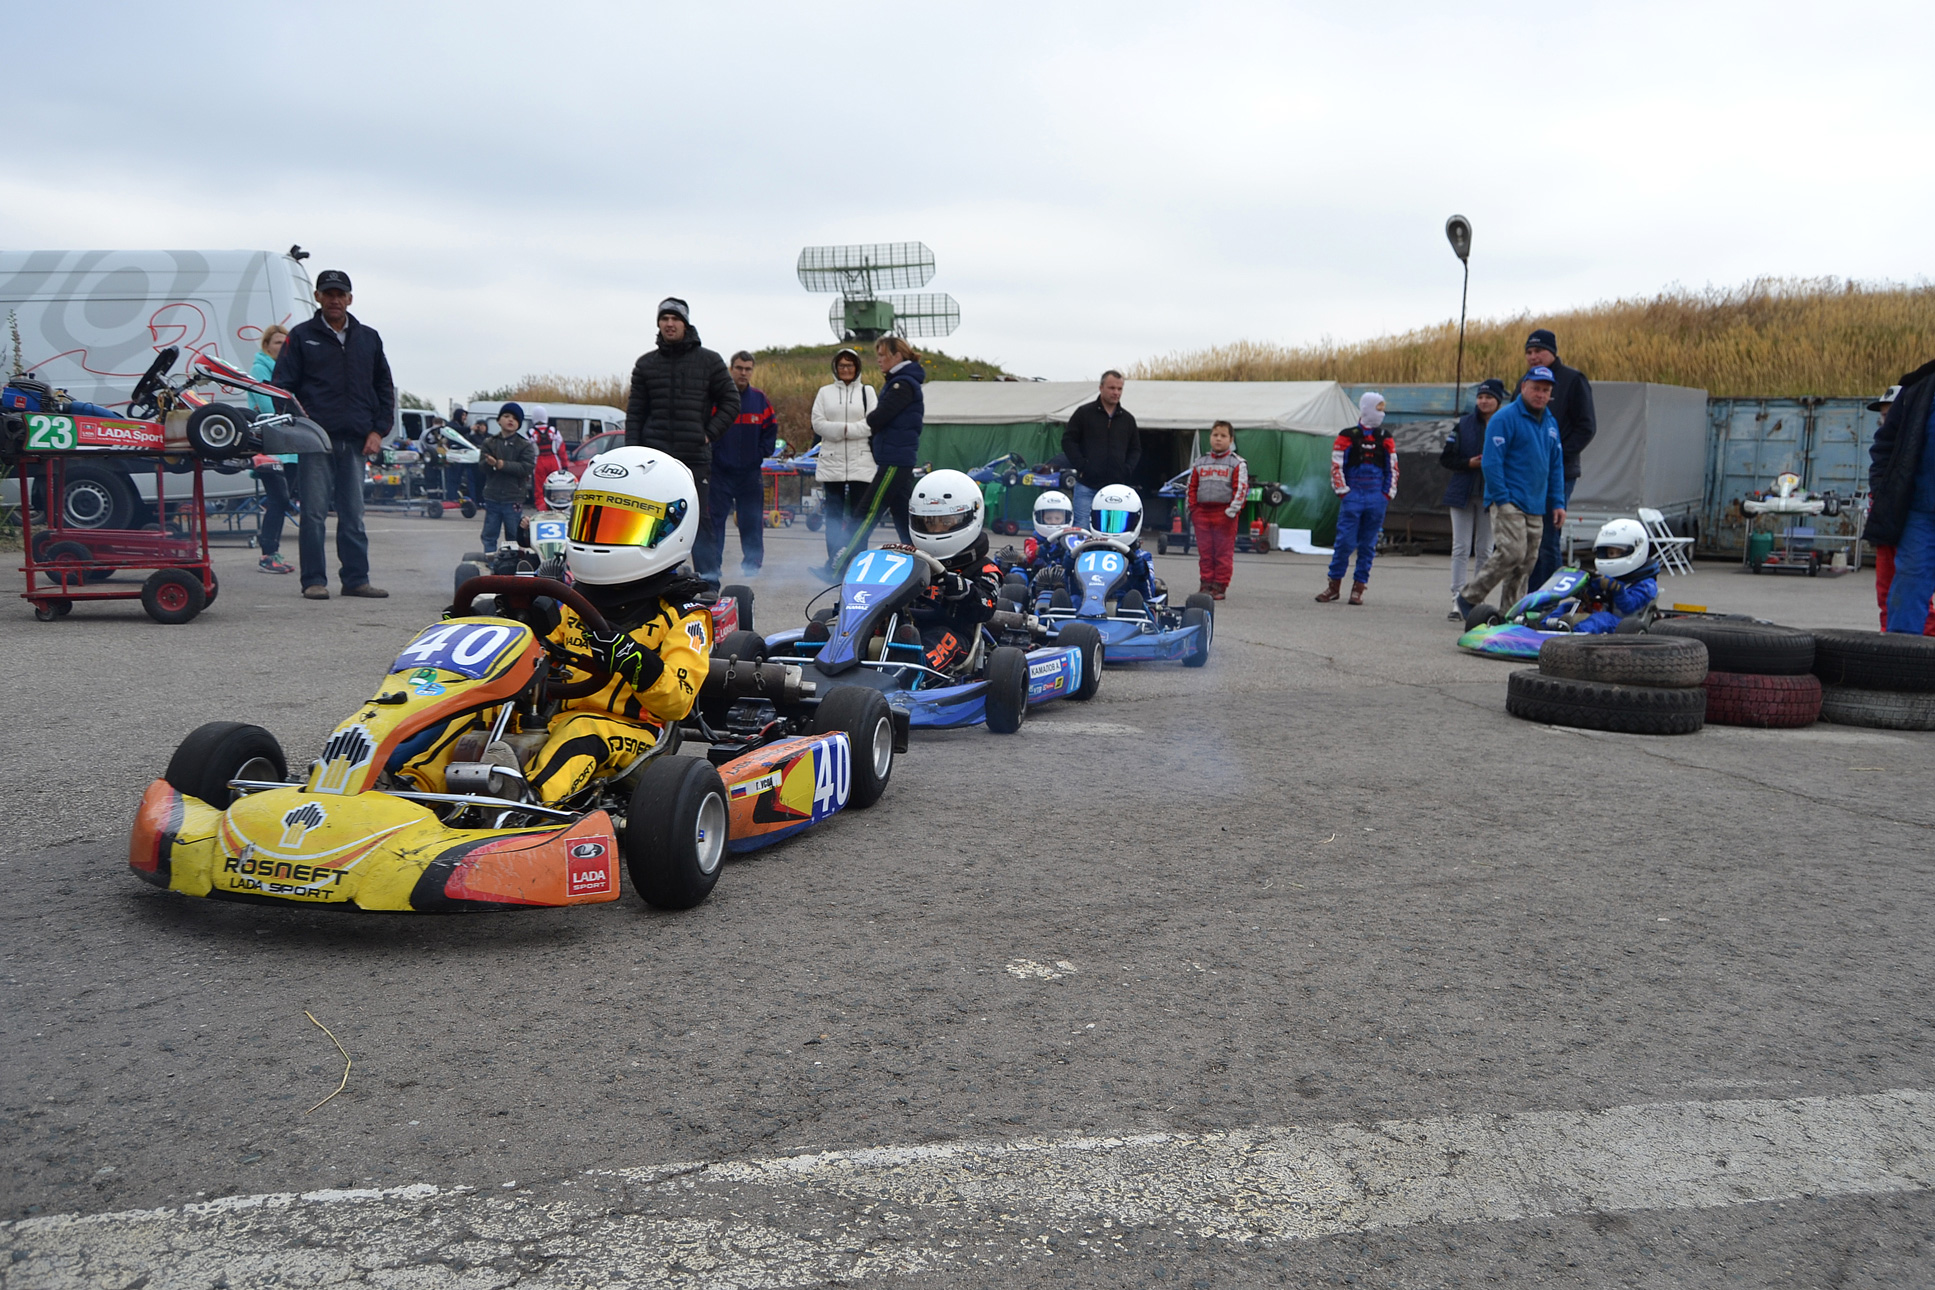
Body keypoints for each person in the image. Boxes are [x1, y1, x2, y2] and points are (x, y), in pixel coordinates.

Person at [514, 447, 712, 805]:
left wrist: (633, 659)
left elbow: (678, 701)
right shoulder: (574, 600)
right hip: (556, 717)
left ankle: (525, 808)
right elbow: (543, 654)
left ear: (671, 529)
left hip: (635, 733)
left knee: (581, 732)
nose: (600, 538)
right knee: (481, 710)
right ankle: (415, 785)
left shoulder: (683, 615)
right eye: (593, 522)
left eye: (621, 526)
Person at [269, 268, 393, 600]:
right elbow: (281, 388)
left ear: (350, 299)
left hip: (356, 441)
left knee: (353, 515)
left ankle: (356, 580)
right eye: (329, 294)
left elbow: (384, 388)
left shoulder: (369, 338)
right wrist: (299, 426)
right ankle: (314, 581)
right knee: (313, 515)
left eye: (340, 294)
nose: (335, 300)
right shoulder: (300, 336)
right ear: (318, 297)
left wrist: (378, 431)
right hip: (315, 442)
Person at [624, 297, 739, 588]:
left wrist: (708, 433)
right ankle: (649, 581)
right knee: (649, 520)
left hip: (694, 457)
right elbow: (635, 414)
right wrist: (633, 455)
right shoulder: (645, 364)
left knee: (699, 520)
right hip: (653, 460)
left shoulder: (709, 361)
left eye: (675, 319)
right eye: (664, 319)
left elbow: (731, 401)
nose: (669, 324)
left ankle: (709, 582)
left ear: (685, 324)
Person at [1456, 366, 1567, 621]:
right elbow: (1491, 462)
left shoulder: (1550, 423)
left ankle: (1510, 613)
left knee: (1526, 562)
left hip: (1536, 504)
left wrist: (1557, 502)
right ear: (1524, 387)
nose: (1540, 394)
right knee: (1512, 552)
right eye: (1536, 388)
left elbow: (1555, 466)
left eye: (1546, 390)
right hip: (1508, 500)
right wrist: (1501, 498)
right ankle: (1469, 596)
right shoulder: (1504, 418)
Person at [825, 336, 925, 578]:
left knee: (865, 514)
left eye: (882, 355)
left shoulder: (902, 384)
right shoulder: (903, 381)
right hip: (898, 458)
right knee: (904, 520)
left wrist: (866, 422)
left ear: (897, 356)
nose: (878, 360)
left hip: (894, 459)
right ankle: (925, 567)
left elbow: (879, 416)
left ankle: (838, 568)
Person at [903, 469, 1002, 674]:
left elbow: (986, 607)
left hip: (954, 633)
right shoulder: (906, 561)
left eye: (946, 522)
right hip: (903, 626)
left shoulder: (984, 568)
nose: (936, 530)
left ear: (972, 515)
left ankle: (911, 672)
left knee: (941, 638)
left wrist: (964, 589)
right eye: (929, 522)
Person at [1862, 360, 1935, 634]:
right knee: (1909, 585)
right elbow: (1885, 446)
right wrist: (1883, 491)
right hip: (1921, 513)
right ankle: (1902, 655)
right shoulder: (1918, 389)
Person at [1522, 328, 1597, 592]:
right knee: (1527, 538)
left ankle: (1548, 597)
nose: (1533, 356)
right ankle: (1528, 596)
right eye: (1529, 352)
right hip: (1527, 474)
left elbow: (1586, 427)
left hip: (1560, 473)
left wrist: (1554, 456)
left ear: (1552, 352)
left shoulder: (1573, 380)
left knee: (1547, 537)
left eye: (1538, 351)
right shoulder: (1525, 382)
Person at [699, 351, 779, 578]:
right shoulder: (716, 399)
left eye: (748, 369)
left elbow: (771, 429)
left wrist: (760, 454)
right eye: (739, 368)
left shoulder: (759, 400)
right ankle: (713, 566)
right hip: (720, 473)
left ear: (752, 371)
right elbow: (705, 428)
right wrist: (714, 455)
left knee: (751, 520)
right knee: (714, 521)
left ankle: (752, 564)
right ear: (730, 369)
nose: (743, 373)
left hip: (750, 474)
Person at [1315, 393, 1398, 605]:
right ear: (1367, 408)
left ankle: (1359, 587)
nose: (1381, 413)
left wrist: (1386, 494)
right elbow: (1337, 465)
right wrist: (1343, 492)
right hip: (1353, 494)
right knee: (1344, 542)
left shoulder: (1385, 436)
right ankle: (1334, 586)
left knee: (1368, 545)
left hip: (1376, 496)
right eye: (1378, 408)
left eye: (1383, 409)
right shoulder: (1347, 435)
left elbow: (1393, 468)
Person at [808, 347, 876, 577]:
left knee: (859, 517)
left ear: (857, 367)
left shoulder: (867, 392)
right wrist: (845, 430)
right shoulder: (824, 392)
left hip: (861, 462)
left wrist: (843, 430)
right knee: (834, 517)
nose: (845, 369)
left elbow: (872, 423)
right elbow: (817, 423)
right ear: (835, 368)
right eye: (841, 365)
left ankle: (858, 565)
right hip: (831, 462)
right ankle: (834, 565)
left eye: (850, 365)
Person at [1441, 378, 1505, 619]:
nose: (1484, 401)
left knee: (1485, 550)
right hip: (1462, 493)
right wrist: (1468, 463)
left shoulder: (1506, 423)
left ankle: (1477, 598)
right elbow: (1446, 458)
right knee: (1460, 547)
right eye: (1480, 397)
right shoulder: (1464, 424)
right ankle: (1457, 598)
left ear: (1498, 401)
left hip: (1492, 494)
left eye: (1488, 397)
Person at [1060, 370, 1139, 530]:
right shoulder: (1084, 413)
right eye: (1112, 388)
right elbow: (1068, 441)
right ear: (1101, 387)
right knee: (1082, 530)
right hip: (1087, 486)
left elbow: (1135, 449)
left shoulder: (1127, 419)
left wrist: (1126, 469)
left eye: (1119, 389)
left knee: (1112, 532)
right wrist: (1082, 465)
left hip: (1116, 489)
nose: (1116, 392)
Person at [247, 323, 296, 574]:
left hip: (291, 448)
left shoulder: (289, 369)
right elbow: (268, 409)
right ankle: (267, 553)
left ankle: (271, 550)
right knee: (279, 499)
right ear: (266, 346)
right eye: (277, 342)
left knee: (282, 501)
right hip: (269, 444)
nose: (282, 347)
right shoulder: (260, 368)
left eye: (285, 343)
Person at [1186, 420, 1248, 600]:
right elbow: (1191, 487)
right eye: (1215, 435)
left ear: (1231, 439)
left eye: (1223, 436)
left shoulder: (1237, 463)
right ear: (1210, 437)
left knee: (1222, 553)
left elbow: (1241, 489)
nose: (1218, 439)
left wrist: (1231, 512)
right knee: (1205, 552)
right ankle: (1205, 584)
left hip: (1225, 516)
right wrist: (1193, 509)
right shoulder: (1200, 462)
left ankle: (1220, 586)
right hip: (1202, 514)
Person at [1563, 518, 1659, 633]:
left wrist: (1617, 589)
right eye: (1610, 553)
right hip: (1601, 614)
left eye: (1619, 552)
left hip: (1624, 623)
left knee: (1601, 619)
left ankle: (1571, 636)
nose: (1613, 556)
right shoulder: (1606, 576)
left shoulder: (1647, 584)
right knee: (1566, 607)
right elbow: (1592, 596)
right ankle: (1548, 627)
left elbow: (1628, 607)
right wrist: (1584, 586)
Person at [1085, 482, 1162, 603]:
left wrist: (1142, 576)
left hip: (1125, 607)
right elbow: (1073, 591)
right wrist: (1069, 571)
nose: (1111, 530)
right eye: (1105, 521)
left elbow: (1148, 596)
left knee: (1134, 598)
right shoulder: (1085, 554)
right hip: (1086, 602)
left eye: (1119, 523)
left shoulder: (1142, 557)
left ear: (1136, 521)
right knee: (1063, 595)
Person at [478, 403, 536, 554]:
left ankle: (512, 563)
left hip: (513, 498)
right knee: (489, 535)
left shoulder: (524, 445)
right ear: (498, 420)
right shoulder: (489, 442)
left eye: (515, 418)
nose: (510, 420)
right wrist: (489, 464)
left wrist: (501, 464)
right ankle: (490, 561)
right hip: (492, 496)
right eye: (506, 416)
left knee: (514, 535)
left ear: (519, 424)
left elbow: (526, 468)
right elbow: (481, 467)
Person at [526, 404, 566, 510]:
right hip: (554, 460)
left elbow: (527, 452)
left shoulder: (530, 433)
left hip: (538, 462)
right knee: (556, 485)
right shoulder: (554, 431)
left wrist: (527, 469)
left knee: (539, 489)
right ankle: (556, 506)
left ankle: (541, 508)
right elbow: (562, 450)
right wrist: (565, 466)